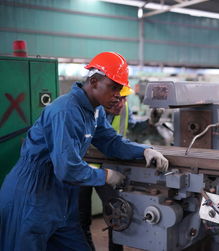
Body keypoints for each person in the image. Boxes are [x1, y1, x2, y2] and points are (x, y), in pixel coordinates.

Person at [0, 51, 169, 251]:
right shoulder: (66, 111)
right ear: (95, 81)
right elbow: (66, 168)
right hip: (32, 193)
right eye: (114, 87)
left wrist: (144, 151)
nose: (118, 94)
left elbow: (110, 141)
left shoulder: (94, 110)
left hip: (61, 196)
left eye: (120, 88)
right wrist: (105, 175)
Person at [79, 85, 164, 251]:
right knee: (80, 218)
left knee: (117, 212)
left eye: (124, 98)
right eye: (118, 98)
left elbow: (129, 131)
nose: (121, 103)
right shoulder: (89, 112)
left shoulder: (123, 109)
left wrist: (150, 124)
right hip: (82, 169)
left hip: (110, 168)